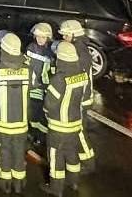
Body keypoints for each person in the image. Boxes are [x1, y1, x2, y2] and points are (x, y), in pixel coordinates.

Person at [0, 32, 29, 194]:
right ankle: (19, 183)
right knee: (19, 151)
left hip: (2, 121)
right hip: (21, 122)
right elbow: (35, 85)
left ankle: (5, 182)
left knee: (4, 151)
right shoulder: (27, 69)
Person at [41, 41, 87, 196]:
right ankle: (73, 182)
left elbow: (49, 103)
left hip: (59, 126)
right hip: (75, 123)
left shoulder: (58, 79)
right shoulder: (81, 73)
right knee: (72, 153)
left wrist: (46, 111)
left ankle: (56, 188)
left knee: (55, 156)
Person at [58, 20, 96, 172]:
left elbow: (76, 78)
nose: (63, 38)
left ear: (73, 35)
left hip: (80, 99)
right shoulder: (79, 48)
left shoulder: (79, 53)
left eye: (65, 35)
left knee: (79, 131)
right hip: (79, 97)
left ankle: (88, 162)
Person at [25, 22, 55, 149]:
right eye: (38, 37)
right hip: (30, 87)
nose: (40, 39)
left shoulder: (50, 53)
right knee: (30, 112)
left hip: (43, 88)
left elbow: (52, 73)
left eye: (43, 37)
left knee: (40, 115)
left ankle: (40, 137)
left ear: (48, 38)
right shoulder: (30, 47)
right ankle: (32, 134)